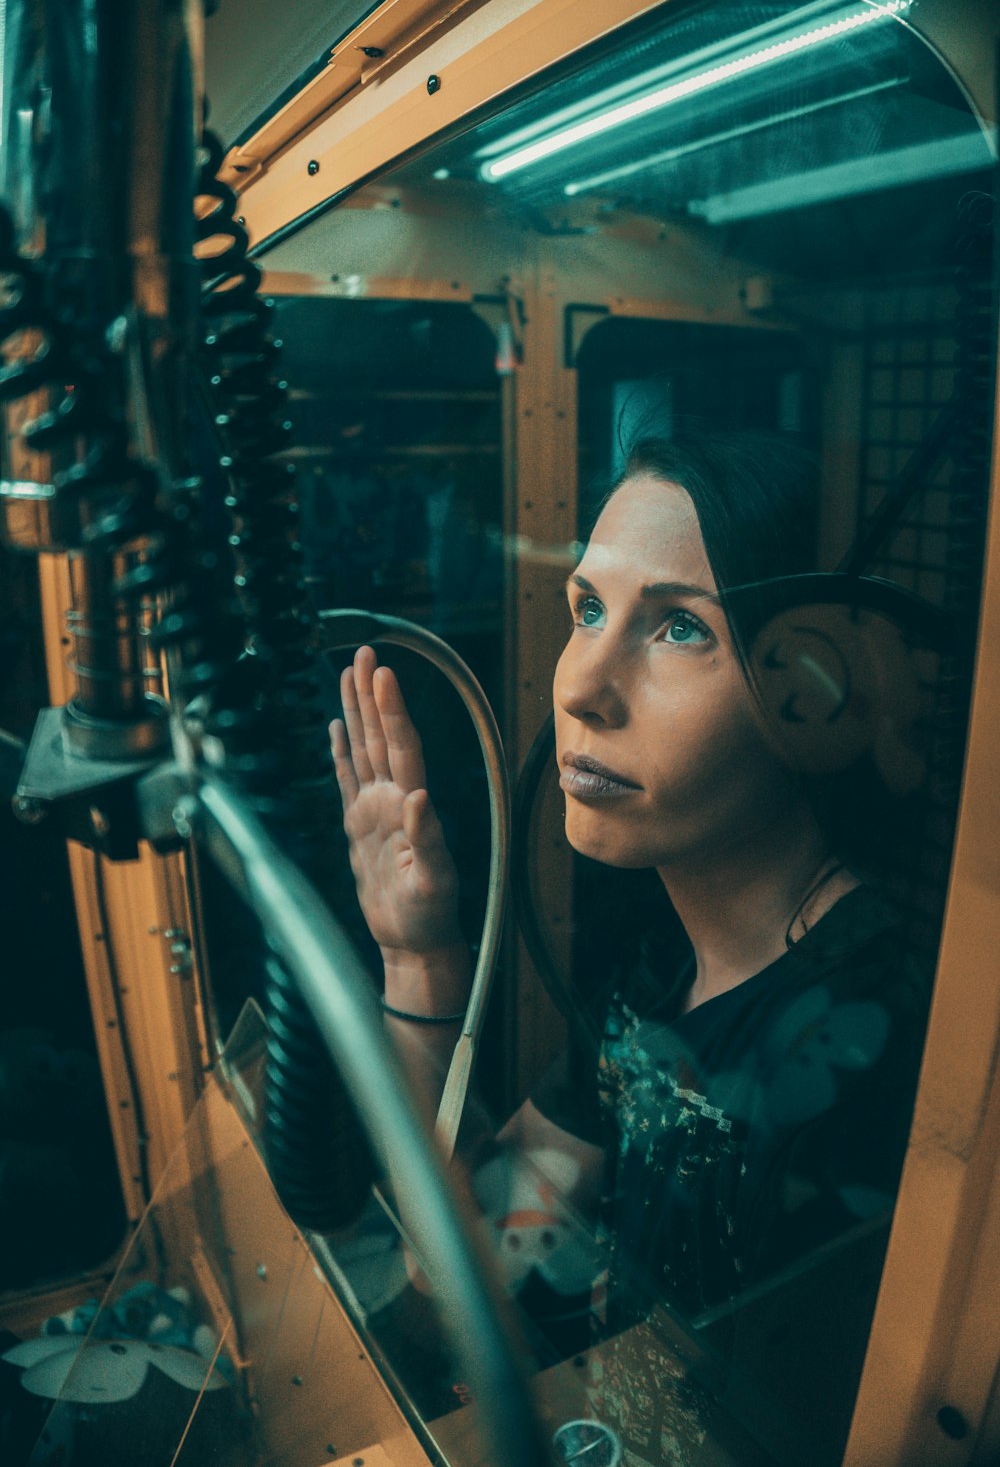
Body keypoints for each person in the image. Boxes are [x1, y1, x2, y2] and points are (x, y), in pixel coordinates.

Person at [328, 430, 930, 1457]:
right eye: (589, 611)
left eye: (679, 629)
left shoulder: (876, 1042)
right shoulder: (653, 972)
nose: (579, 688)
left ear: (823, 696)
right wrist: (416, 956)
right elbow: (475, 1237)